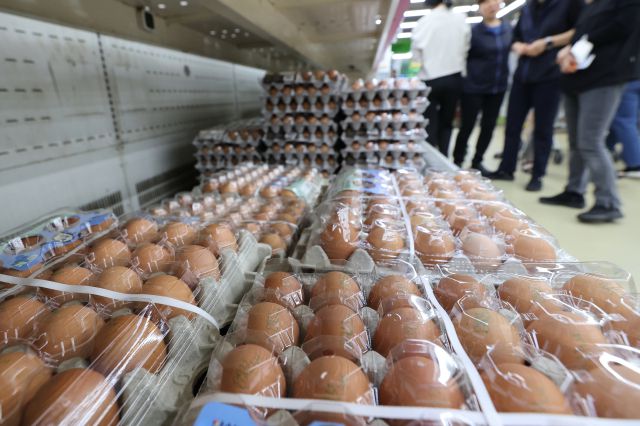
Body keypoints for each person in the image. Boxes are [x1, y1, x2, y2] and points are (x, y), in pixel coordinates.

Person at [540, 0, 640, 223]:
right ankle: (574, 191)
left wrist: (579, 44)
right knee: (576, 142)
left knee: (591, 141)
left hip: (605, 77)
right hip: (577, 78)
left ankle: (608, 202)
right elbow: (581, 31)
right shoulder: (592, 6)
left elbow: (623, 26)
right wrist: (570, 49)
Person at [489, 0, 584, 192]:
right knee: (512, 126)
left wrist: (547, 43)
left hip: (550, 75)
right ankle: (506, 168)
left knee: (543, 129)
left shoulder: (568, 5)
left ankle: (537, 174)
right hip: (522, 75)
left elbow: (580, 30)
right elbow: (515, 37)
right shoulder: (528, 8)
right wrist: (519, 46)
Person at [452, 0, 512, 175]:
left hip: (497, 87)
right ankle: (457, 160)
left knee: (488, 126)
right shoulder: (473, 32)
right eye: (485, 3)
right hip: (473, 87)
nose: (490, 5)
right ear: (479, 7)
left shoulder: (508, 30)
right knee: (467, 125)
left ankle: (477, 162)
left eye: (494, 1)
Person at [412, 0, 470, 156]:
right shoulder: (461, 19)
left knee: (429, 123)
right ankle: (444, 156)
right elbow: (465, 49)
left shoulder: (423, 22)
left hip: (429, 79)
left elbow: (416, 56)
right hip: (454, 77)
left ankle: (431, 159)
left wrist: (415, 77)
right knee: (447, 123)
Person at [609, 80, 640, 178]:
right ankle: (607, 150)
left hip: (629, 81)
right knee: (628, 120)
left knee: (623, 121)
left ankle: (635, 165)